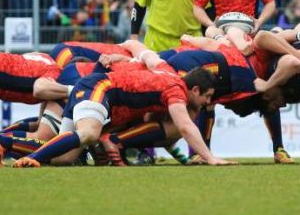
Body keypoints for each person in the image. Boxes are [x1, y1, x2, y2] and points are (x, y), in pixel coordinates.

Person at [13, 55, 235, 167]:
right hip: (99, 88)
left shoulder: (167, 72)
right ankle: (32, 158)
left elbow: (146, 55)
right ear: (195, 89)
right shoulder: (176, 89)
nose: (208, 102)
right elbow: (185, 126)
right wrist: (210, 157)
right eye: (206, 96)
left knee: (64, 158)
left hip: (94, 87)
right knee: (89, 133)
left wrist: (129, 54)